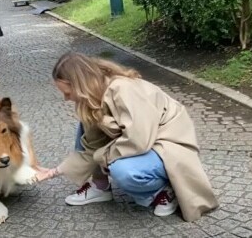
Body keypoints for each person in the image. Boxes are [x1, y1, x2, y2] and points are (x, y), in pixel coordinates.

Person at [34, 52, 219, 222]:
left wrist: (103, 156)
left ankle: (165, 190)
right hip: (146, 143)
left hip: (168, 144)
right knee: (85, 126)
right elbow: (90, 146)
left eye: (67, 92)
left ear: (80, 85)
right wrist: (53, 172)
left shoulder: (123, 89)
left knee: (123, 171)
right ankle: (100, 187)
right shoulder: (91, 100)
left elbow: (138, 140)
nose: (66, 99)